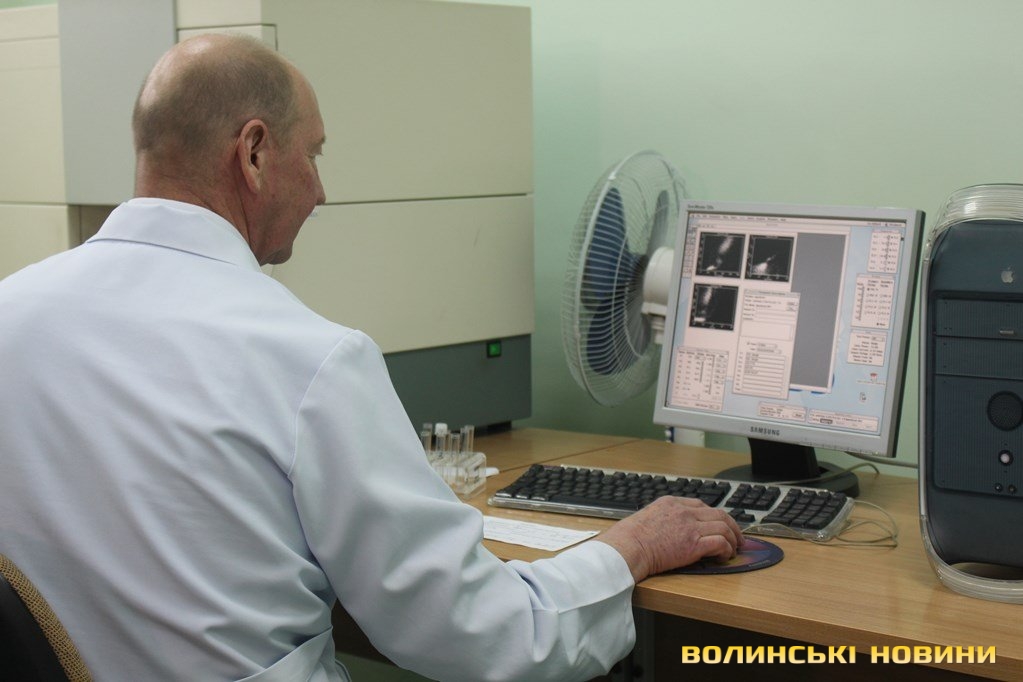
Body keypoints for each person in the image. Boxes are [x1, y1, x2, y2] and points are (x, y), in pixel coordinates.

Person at [0, 34, 742, 681]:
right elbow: (483, 635)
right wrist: (629, 548)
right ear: (253, 154)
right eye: (312, 154)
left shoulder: (13, 311)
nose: (321, 191)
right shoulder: (307, 359)